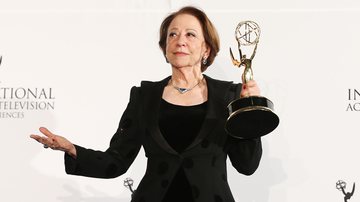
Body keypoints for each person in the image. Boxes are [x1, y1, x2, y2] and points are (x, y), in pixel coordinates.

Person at [30, 6, 262, 202]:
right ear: (164, 47)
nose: (180, 40)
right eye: (173, 34)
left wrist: (249, 111)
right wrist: (72, 149)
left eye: (190, 34)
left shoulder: (229, 95)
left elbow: (247, 165)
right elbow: (116, 161)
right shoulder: (144, 96)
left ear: (206, 48)